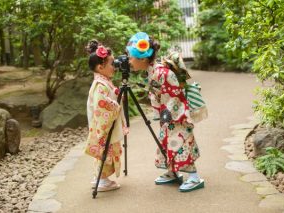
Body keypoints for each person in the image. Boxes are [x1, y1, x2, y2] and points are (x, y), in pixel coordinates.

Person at [126, 32, 204, 192]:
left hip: (177, 115)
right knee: (168, 143)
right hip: (168, 115)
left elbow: (174, 95)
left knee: (181, 144)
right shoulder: (152, 70)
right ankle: (172, 172)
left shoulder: (160, 72)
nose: (129, 61)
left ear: (142, 58)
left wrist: (170, 116)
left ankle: (195, 177)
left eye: (131, 58)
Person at [85, 40, 128, 192]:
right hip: (103, 127)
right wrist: (115, 105)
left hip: (105, 124)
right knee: (105, 152)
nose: (114, 66)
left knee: (107, 151)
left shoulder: (104, 81)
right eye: (111, 63)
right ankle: (101, 180)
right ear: (100, 67)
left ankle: (102, 178)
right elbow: (101, 103)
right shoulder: (99, 84)